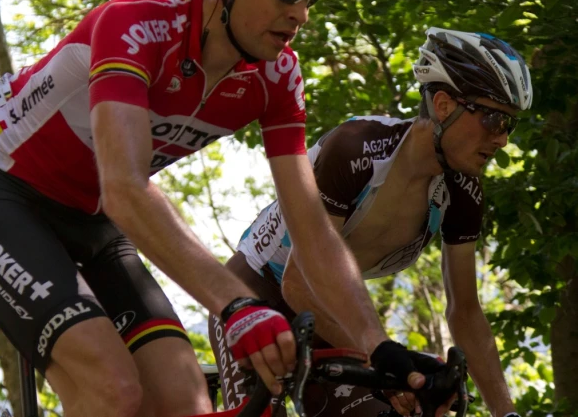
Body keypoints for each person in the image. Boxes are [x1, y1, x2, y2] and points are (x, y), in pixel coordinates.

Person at [0, 0, 440, 417]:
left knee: (186, 400)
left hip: (88, 223)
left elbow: (311, 228)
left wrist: (380, 346)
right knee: (113, 389)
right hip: (0, 197)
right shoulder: (137, 23)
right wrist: (237, 303)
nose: (300, 12)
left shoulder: (276, 76)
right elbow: (125, 190)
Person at [210, 28, 532, 417]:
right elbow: (296, 281)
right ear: (444, 104)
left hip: (330, 316)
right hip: (257, 291)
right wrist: (377, 355)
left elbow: (465, 312)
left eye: (510, 126)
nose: (502, 140)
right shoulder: (356, 149)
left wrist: (507, 413)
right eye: (495, 120)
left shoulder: (461, 192)